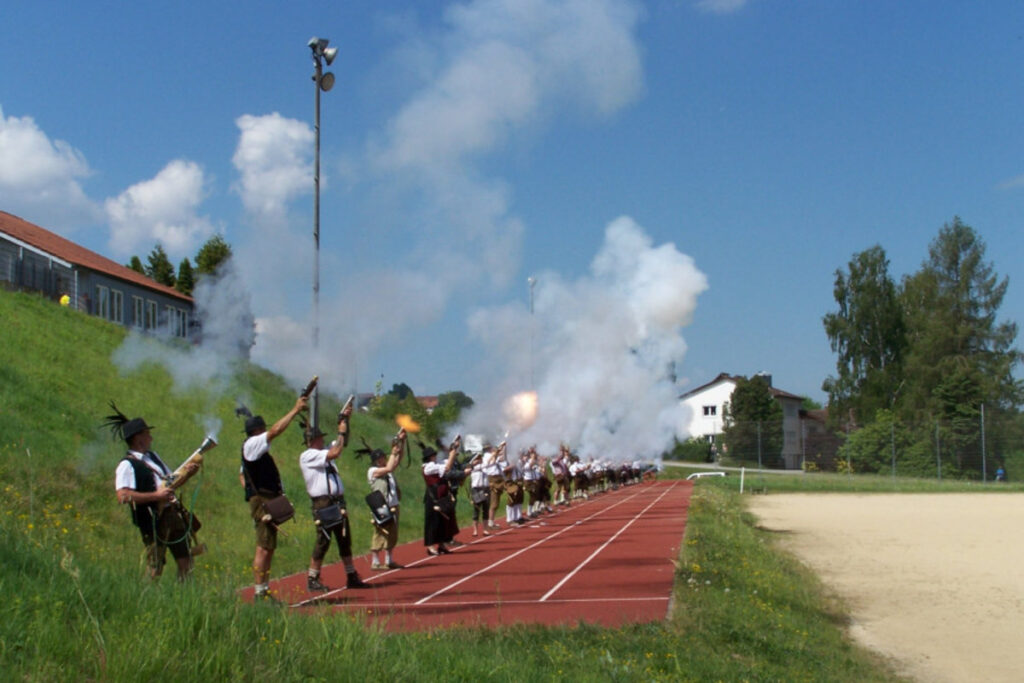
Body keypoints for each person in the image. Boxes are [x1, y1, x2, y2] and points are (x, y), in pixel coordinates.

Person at [109, 407, 199, 581]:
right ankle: (147, 595)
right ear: (138, 438)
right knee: (155, 566)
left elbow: (171, 482)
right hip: (152, 519)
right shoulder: (126, 465)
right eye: (147, 434)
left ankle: (184, 594)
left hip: (172, 513)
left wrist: (188, 473)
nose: (151, 438)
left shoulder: (153, 457)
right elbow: (123, 496)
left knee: (186, 560)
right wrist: (156, 497)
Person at [241, 395, 307, 601]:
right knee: (263, 547)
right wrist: (295, 410)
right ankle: (260, 592)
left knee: (268, 546)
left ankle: (264, 589)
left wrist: (251, 491)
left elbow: (242, 475)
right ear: (258, 431)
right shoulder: (252, 444)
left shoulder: (253, 448)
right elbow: (275, 431)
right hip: (263, 501)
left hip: (266, 499)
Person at [299, 403, 369, 592]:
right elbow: (336, 450)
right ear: (313, 440)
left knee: (344, 539)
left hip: (336, 502)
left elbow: (341, 443)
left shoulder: (323, 452)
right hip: (323, 503)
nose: (323, 440)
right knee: (323, 540)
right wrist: (340, 429)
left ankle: (351, 575)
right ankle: (312, 578)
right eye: (320, 438)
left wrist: (345, 421)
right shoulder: (308, 455)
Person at [366, 431, 405, 570]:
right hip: (381, 506)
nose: (384, 459)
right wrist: (393, 452)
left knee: (392, 533)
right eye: (382, 457)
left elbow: (397, 460)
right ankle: (375, 561)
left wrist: (401, 442)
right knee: (380, 532)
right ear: (377, 460)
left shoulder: (387, 470)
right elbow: (389, 467)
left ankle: (389, 560)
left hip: (393, 504)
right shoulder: (373, 471)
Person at [422, 438, 460, 556]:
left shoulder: (435, 464)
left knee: (442, 521)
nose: (435, 456)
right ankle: (430, 546)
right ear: (429, 457)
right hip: (433, 496)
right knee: (432, 522)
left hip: (441, 495)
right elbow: (447, 467)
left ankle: (441, 544)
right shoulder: (428, 467)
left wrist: (453, 450)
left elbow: (448, 462)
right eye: (433, 455)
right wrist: (452, 453)